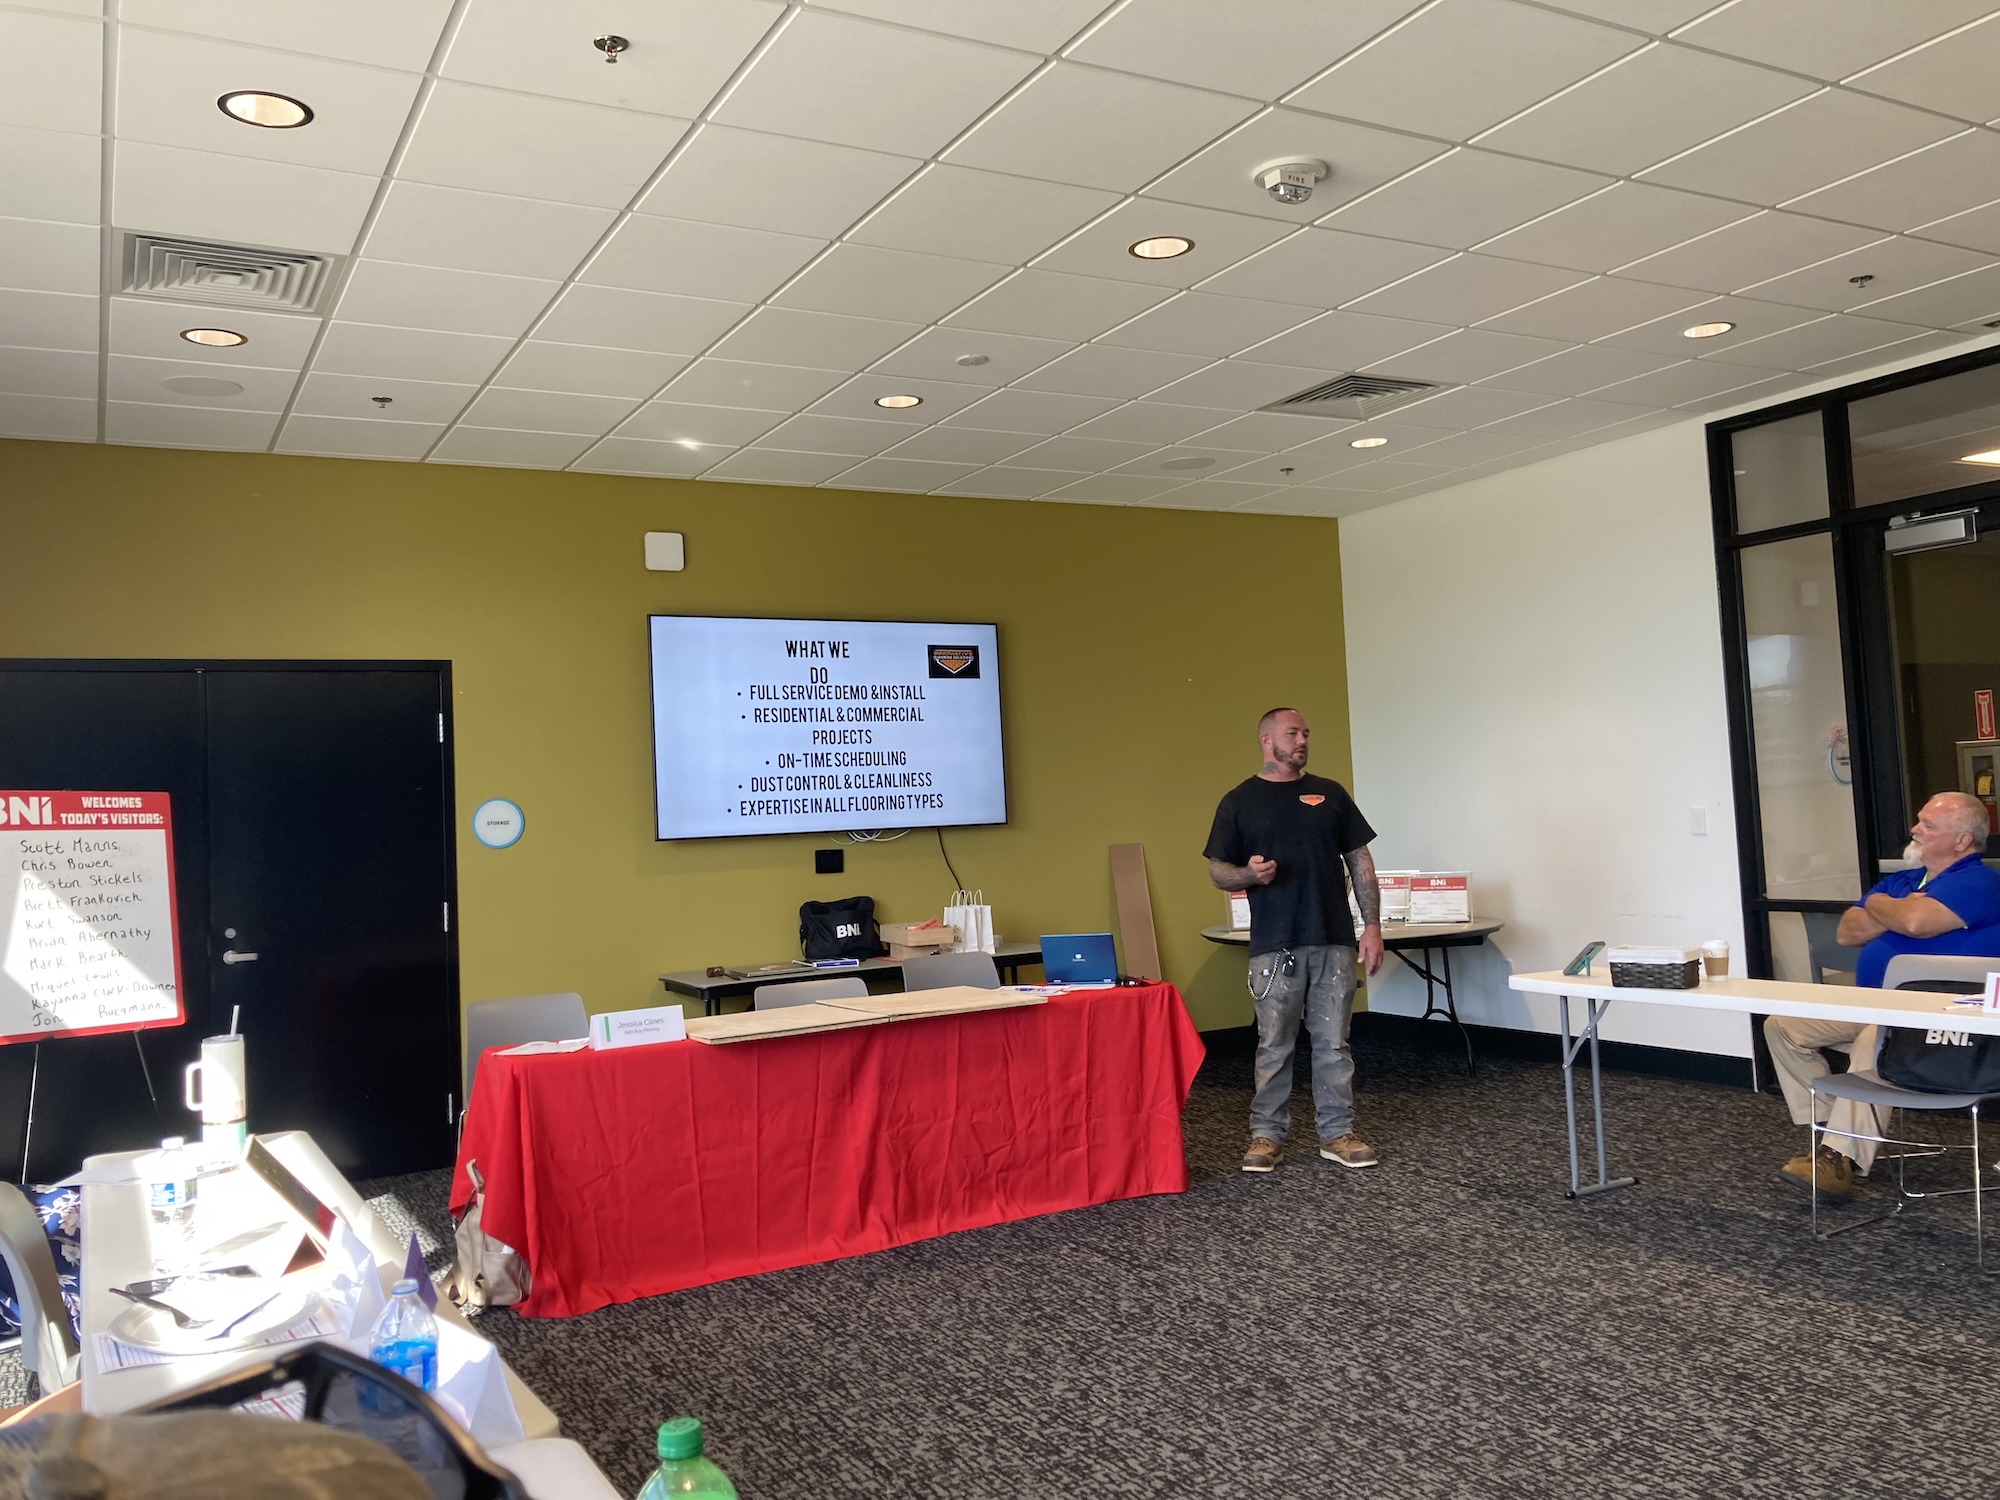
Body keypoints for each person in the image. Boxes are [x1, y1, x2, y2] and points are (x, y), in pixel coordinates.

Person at [1767, 791, 2000, 1199]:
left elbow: (1916, 924)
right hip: (1877, 1005)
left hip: (1942, 1019)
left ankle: (1839, 1156)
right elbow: (1848, 932)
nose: (1915, 829)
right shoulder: (1904, 882)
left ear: (1962, 840)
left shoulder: (1981, 882)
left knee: (1874, 1040)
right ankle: (1832, 1137)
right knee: (1784, 1028)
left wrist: (1877, 904)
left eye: (1928, 825)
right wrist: (1895, 905)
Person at [1205, 707, 1384, 1174]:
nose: (1302, 740)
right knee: (1274, 1044)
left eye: (1305, 733)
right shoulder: (1239, 801)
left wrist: (1372, 926)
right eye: (1292, 733)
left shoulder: (1331, 794)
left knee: (1334, 1044)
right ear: (1266, 740)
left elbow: (1360, 861)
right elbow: (1218, 871)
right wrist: (1249, 874)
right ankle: (1266, 1136)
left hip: (1334, 940)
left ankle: (1337, 1133)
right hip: (1274, 944)